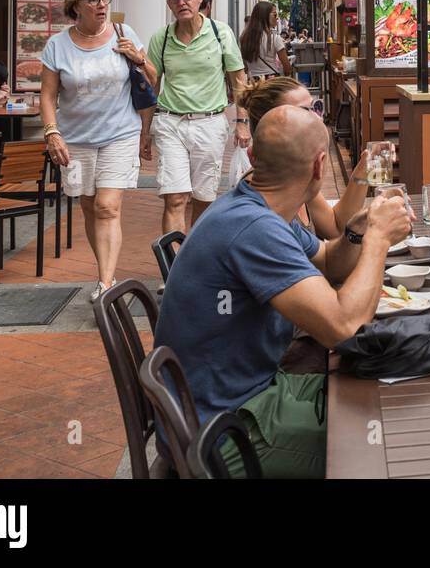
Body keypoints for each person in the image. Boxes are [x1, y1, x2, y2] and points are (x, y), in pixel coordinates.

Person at [154, 106, 412, 477]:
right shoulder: (254, 228)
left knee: (380, 391)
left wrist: (356, 232)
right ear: (320, 166)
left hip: (240, 397)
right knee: (383, 441)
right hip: (224, 431)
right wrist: (378, 239)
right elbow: (343, 329)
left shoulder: (255, 205)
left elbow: (326, 260)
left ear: (254, 157)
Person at [39, 0, 155, 301]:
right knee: (89, 205)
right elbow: (47, 97)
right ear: (76, 5)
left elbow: (155, 80)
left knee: (107, 206)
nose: (102, 6)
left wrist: (139, 59)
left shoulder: (124, 34)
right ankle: (108, 270)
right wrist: (52, 133)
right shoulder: (57, 46)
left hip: (120, 133)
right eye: (94, 0)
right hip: (75, 138)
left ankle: (105, 285)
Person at [145, 0, 249, 235]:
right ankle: (175, 268)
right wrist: (144, 130)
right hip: (170, 122)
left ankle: (195, 255)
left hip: (210, 122)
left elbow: (238, 80)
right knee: (175, 197)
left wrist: (242, 122)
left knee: (205, 197)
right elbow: (152, 86)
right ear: (168, 4)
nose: (181, 2)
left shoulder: (220, 32)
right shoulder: (162, 38)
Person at [237, 77, 368, 237]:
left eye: (316, 108)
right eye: (304, 111)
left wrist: (364, 171)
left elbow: (334, 227)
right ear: (273, 122)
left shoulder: (295, 173)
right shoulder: (264, 204)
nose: (318, 118)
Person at [240, 1, 294, 81]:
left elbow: (245, 67)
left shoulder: (244, 38)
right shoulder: (274, 38)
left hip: (254, 82)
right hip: (271, 81)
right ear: (265, 16)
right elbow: (287, 68)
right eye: (275, 14)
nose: (277, 18)